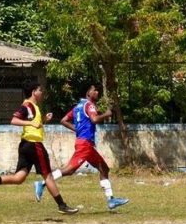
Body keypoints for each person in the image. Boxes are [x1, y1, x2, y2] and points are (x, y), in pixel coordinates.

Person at [0, 82, 79, 215]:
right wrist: (31, 122)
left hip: (25, 144)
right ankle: (62, 206)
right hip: (34, 144)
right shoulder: (28, 106)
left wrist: (43, 120)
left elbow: (34, 124)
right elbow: (14, 120)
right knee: (48, 176)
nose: (42, 92)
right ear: (34, 92)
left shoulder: (33, 107)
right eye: (40, 90)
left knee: (19, 178)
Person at [40, 82, 129, 211]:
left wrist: (78, 130)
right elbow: (94, 120)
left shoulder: (77, 107)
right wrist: (107, 114)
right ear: (88, 93)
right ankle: (43, 183)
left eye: (98, 91)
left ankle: (111, 200)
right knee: (69, 170)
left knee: (104, 168)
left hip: (84, 143)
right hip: (85, 144)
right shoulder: (89, 105)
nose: (97, 93)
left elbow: (63, 120)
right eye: (95, 90)